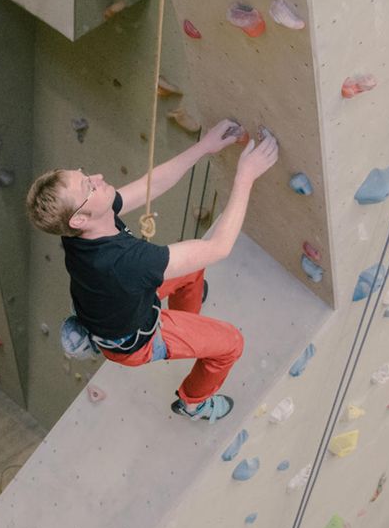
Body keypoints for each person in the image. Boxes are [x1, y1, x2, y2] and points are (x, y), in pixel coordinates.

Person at [24, 120, 279, 422]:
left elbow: (152, 184)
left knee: (192, 271)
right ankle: (193, 403)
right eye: (88, 185)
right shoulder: (126, 262)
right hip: (136, 339)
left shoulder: (83, 228)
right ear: (80, 218)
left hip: (117, 305)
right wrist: (245, 177)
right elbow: (219, 248)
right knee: (231, 343)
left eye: (85, 174)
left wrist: (205, 146)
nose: (97, 177)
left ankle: (188, 322)